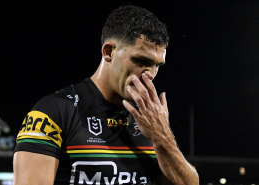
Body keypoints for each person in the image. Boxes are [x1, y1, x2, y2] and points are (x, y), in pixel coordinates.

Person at [13, 5, 199, 185]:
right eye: (141, 60)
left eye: (157, 65)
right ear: (109, 52)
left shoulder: (151, 121)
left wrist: (162, 136)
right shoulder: (53, 112)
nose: (150, 73)